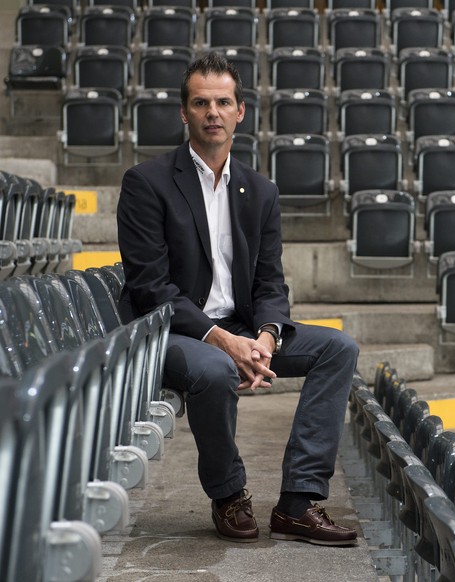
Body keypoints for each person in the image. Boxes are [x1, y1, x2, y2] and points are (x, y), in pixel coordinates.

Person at [116, 51, 359, 546]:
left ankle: (297, 502)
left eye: (223, 102)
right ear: (184, 113)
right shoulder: (147, 184)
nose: (213, 112)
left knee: (339, 349)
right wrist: (225, 341)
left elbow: (271, 283)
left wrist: (267, 338)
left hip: (242, 327)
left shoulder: (261, 190)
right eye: (201, 103)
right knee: (214, 368)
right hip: (175, 332)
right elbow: (151, 288)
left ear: (240, 111)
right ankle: (228, 494)